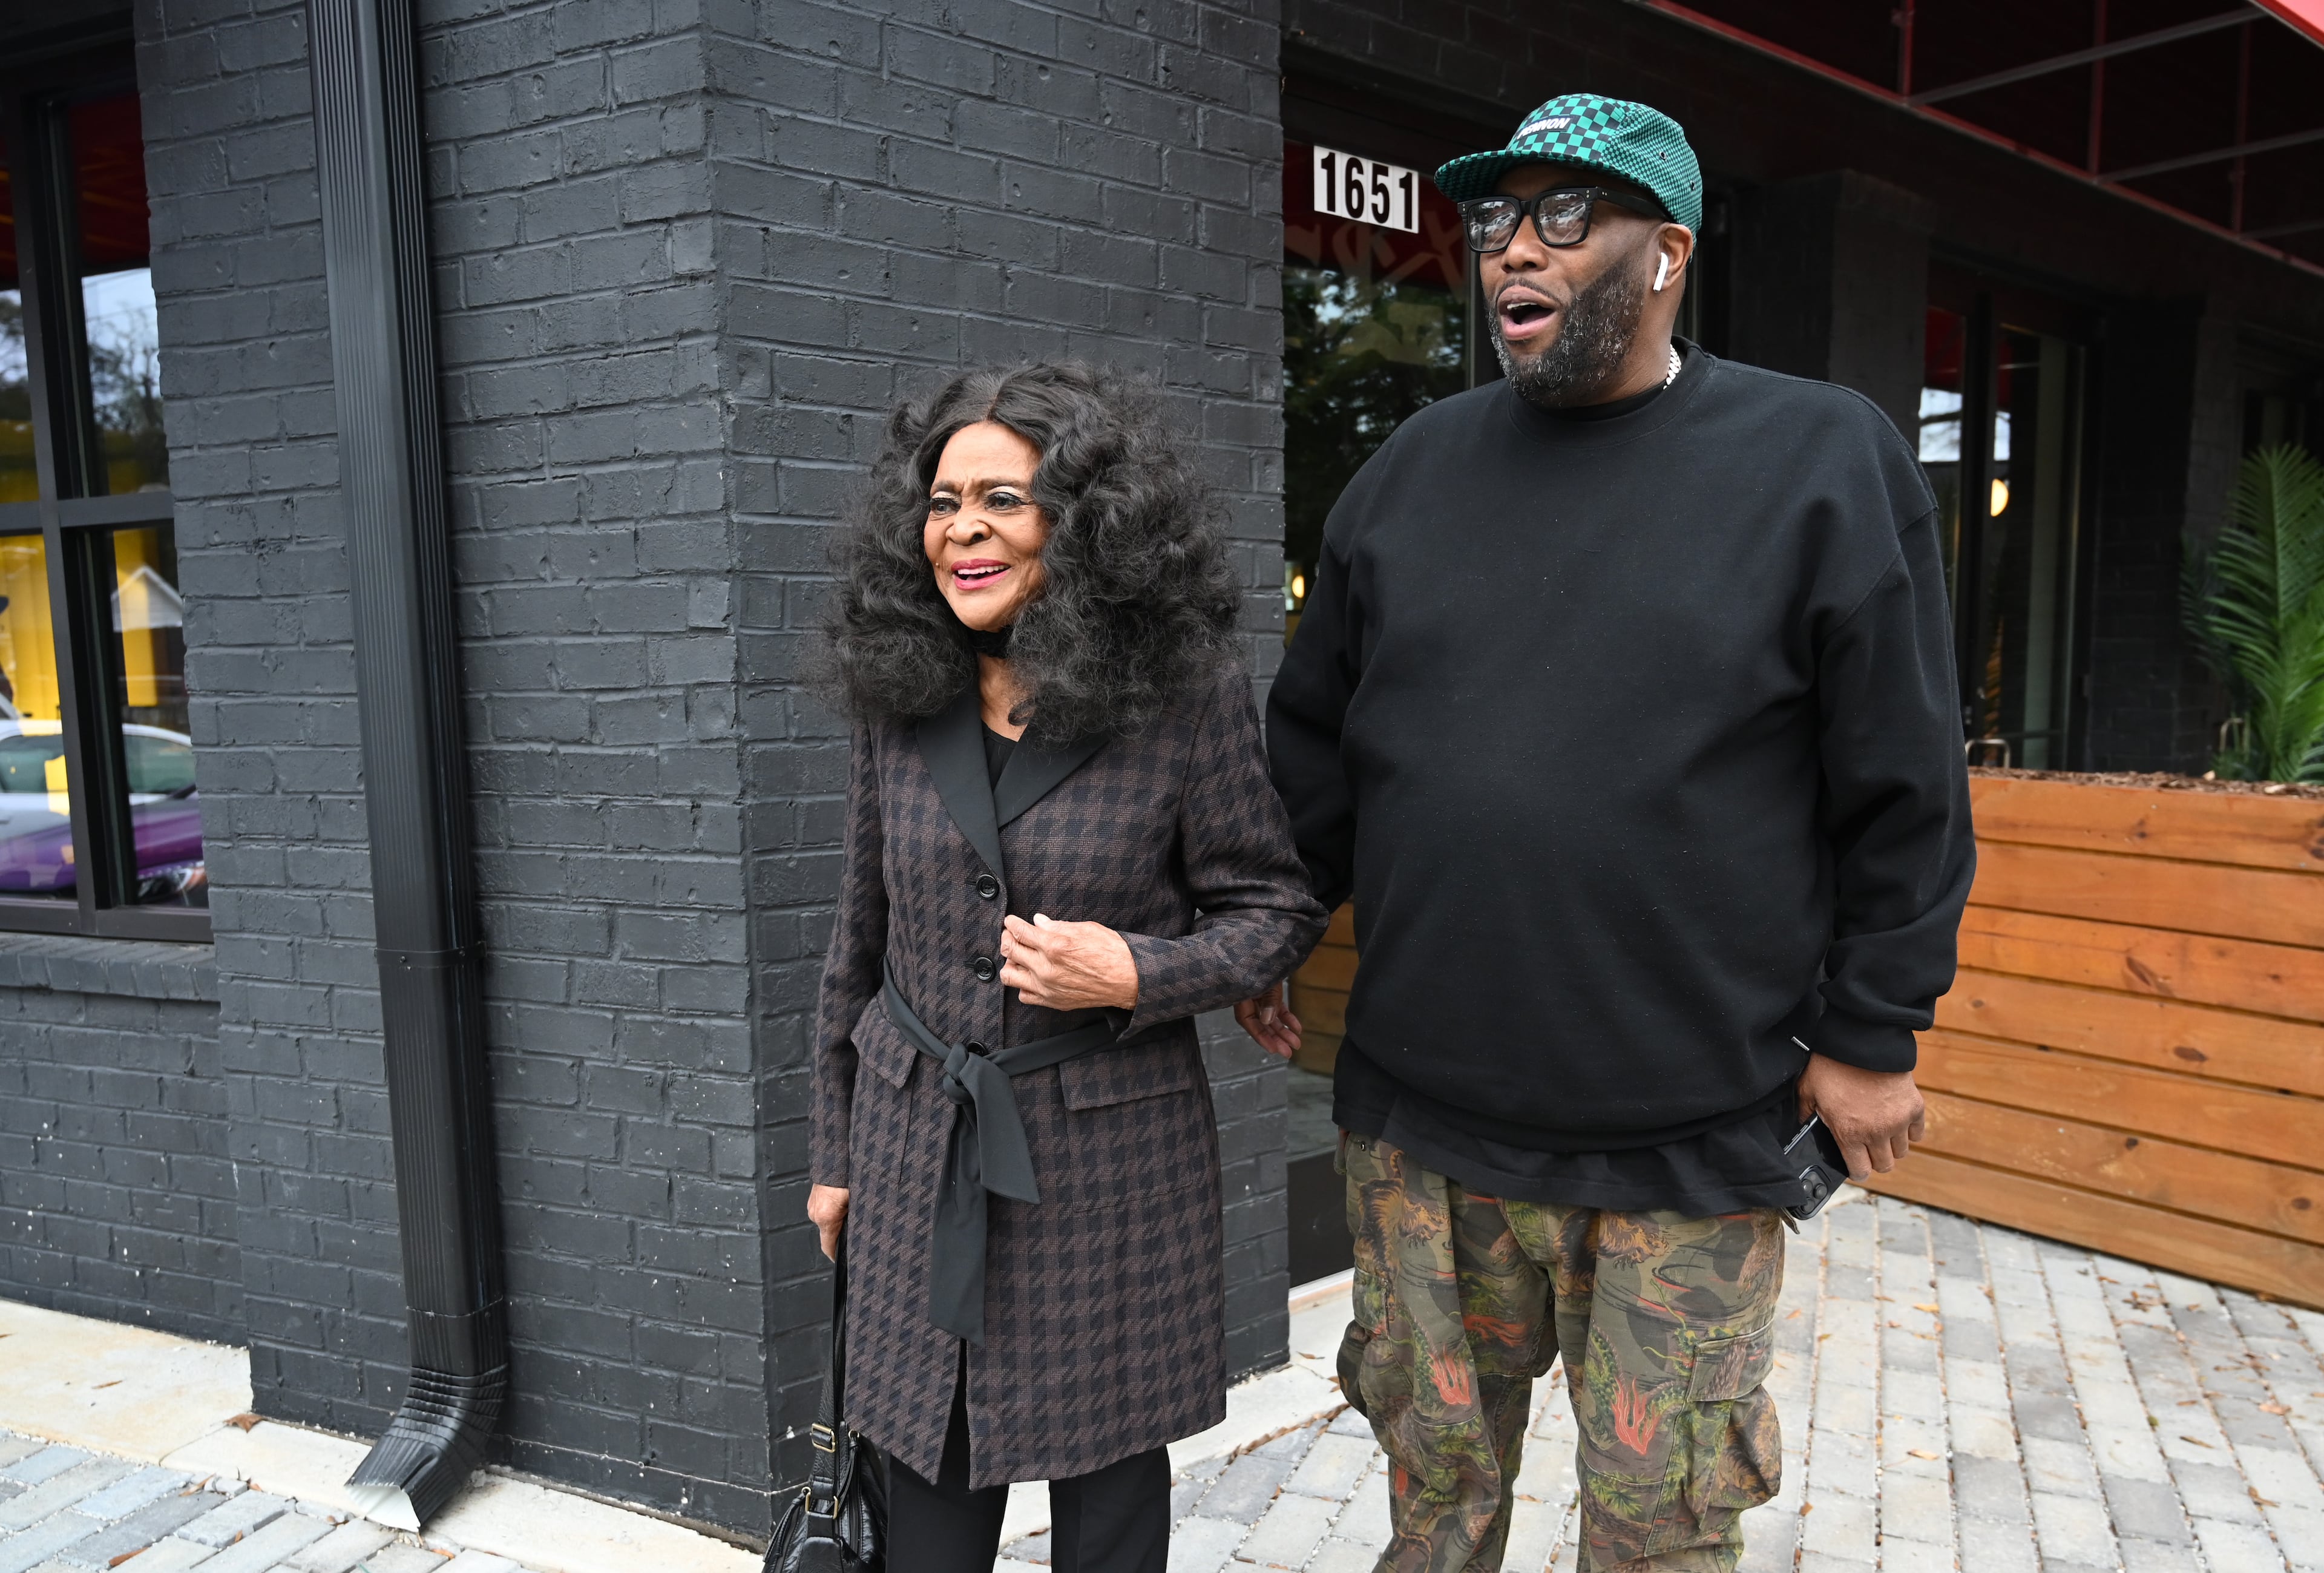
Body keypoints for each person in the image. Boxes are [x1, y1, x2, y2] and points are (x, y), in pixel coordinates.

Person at [1239, 94, 1975, 1572]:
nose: (1515, 247)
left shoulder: (1820, 458)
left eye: (1566, 216)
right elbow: (1313, 746)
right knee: (1433, 1513)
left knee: (1658, 1536)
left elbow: (1900, 770)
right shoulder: (1410, 474)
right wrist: (1272, 919)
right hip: (1422, 1133)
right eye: (1497, 219)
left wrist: (1876, 1028)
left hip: (1684, 1141)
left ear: (1668, 251)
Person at [809, 363, 1327, 1573]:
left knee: (1106, 1504)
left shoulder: (1181, 697)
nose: (965, 529)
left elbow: (1273, 905)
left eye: (1004, 496)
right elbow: (857, 937)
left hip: (1106, 1167)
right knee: (921, 1499)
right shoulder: (903, 696)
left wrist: (1137, 973)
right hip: (912, 1146)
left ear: (1083, 519)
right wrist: (833, 1151)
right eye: (943, 502)